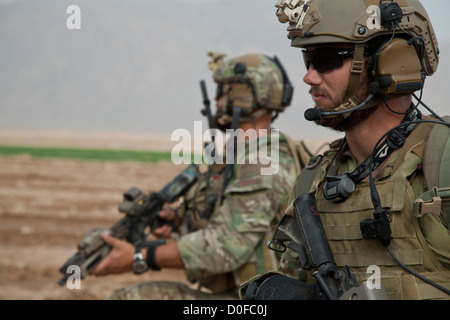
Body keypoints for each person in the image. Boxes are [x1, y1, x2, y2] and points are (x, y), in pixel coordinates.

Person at [240, 0, 450, 300]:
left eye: (325, 58)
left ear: (390, 61)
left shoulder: (442, 160)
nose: (309, 77)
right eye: (307, 59)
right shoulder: (314, 181)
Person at [91, 52, 312, 299]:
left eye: (221, 91)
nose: (215, 100)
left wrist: (139, 257)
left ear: (243, 95)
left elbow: (226, 246)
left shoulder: (264, 160)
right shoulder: (241, 153)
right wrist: (178, 223)